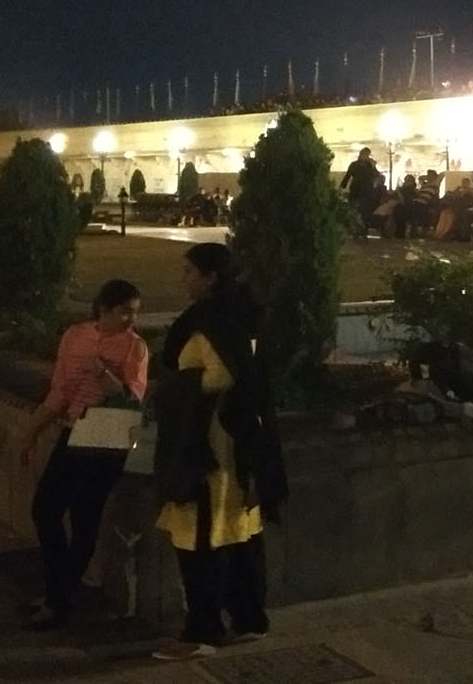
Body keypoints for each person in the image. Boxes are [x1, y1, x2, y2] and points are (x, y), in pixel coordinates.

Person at [150, 243, 286, 660]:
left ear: (210, 277)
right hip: (241, 442)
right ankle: (248, 617)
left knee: (203, 535)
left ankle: (203, 631)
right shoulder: (244, 314)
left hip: (210, 446)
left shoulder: (209, 320)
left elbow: (218, 377)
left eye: (190, 272)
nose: (183, 279)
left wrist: (167, 388)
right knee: (239, 532)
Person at [18, 280, 150, 630]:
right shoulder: (75, 336)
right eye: (124, 311)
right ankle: (59, 588)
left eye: (135, 312)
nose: (130, 319)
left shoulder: (135, 347)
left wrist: (104, 374)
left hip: (107, 437)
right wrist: (32, 431)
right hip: (74, 429)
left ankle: (57, 598)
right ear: (103, 310)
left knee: (85, 517)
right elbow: (58, 390)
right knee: (45, 508)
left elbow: (134, 400)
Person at [338, 148, 383, 234]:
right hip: (356, 190)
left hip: (367, 192)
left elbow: (377, 175)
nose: (365, 157)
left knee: (365, 211)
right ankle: (355, 229)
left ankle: (363, 230)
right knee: (354, 210)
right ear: (361, 154)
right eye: (364, 154)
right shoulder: (354, 165)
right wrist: (342, 187)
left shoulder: (370, 166)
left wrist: (373, 166)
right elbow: (347, 176)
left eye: (367, 155)